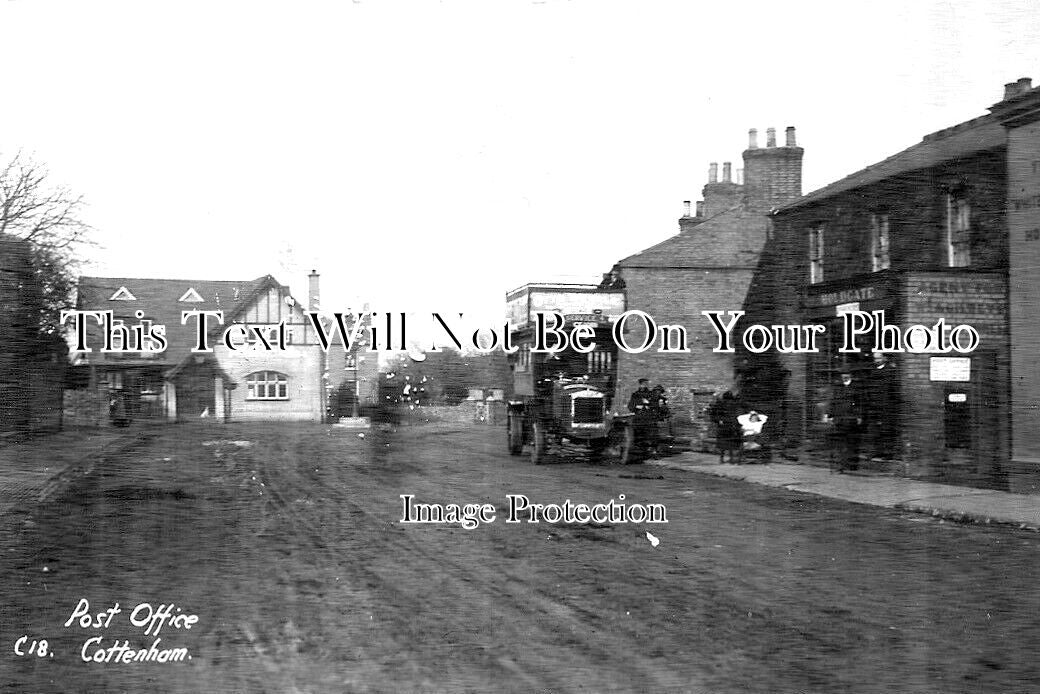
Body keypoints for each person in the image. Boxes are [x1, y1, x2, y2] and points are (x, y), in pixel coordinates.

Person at [828, 371, 863, 472]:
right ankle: (842, 466)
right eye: (843, 375)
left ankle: (852, 466)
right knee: (841, 444)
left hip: (851, 420)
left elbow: (859, 403)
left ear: (850, 375)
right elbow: (833, 401)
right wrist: (830, 415)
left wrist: (859, 416)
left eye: (846, 375)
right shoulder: (838, 388)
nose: (844, 377)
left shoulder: (855, 388)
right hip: (840, 419)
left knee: (852, 443)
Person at [708, 391, 742, 463]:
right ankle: (729, 458)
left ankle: (723, 458)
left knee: (724, 443)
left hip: (725, 425)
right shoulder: (731, 404)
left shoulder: (721, 403)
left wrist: (719, 420)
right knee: (728, 442)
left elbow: (713, 414)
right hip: (729, 425)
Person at [627, 378, 657, 458]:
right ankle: (639, 450)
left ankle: (652, 450)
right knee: (637, 434)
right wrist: (637, 407)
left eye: (646, 384)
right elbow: (630, 406)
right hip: (639, 417)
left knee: (651, 433)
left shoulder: (651, 394)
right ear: (640, 384)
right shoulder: (635, 394)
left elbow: (654, 405)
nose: (644, 385)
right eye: (643, 384)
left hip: (648, 417)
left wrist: (647, 404)